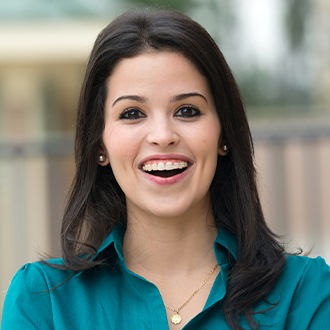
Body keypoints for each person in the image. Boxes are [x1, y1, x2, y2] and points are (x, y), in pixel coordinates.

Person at [2, 8, 330, 330]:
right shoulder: (43, 300)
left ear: (223, 135)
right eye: (132, 113)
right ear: (99, 145)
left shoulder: (306, 293)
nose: (162, 136)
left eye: (187, 110)